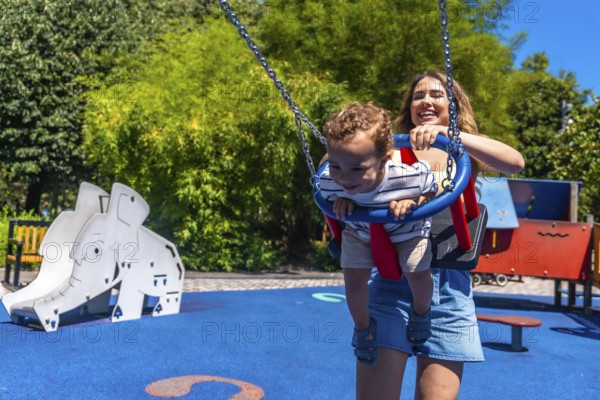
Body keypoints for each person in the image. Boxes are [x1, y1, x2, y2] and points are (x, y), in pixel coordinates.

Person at [355, 71, 525, 400]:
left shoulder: (464, 152)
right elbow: (337, 161)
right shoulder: (391, 151)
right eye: (419, 96)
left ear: (454, 106)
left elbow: (515, 163)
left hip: (449, 291)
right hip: (393, 282)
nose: (427, 101)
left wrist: (449, 134)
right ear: (409, 108)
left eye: (437, 94)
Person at [318, 102, 438, 366]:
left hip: (407, 231)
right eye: (336, 166)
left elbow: (434, 190)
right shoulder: (330, 181)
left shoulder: (407, 177)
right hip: (361, 233)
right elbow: (325, 195)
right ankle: (362, 328)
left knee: (416, 273)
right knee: (354, 280)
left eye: (357, 169)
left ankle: (421, 310)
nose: (344, 178)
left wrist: (414, 200)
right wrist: (342, 203)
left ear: (384, 158)